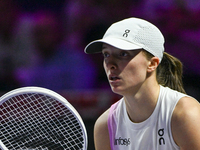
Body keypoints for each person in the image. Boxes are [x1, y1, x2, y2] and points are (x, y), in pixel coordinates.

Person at [84, 17, 200, 150]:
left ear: (152, 64)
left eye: (123, 54)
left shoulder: (185, 114)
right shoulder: (105, 126)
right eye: (106, 54)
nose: (110, 64)